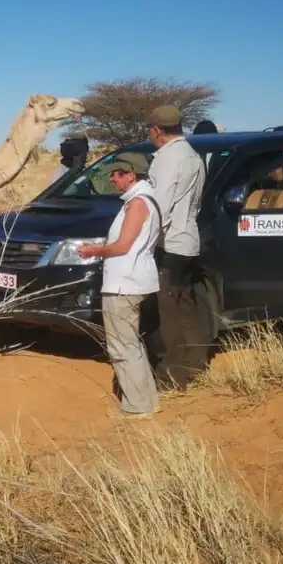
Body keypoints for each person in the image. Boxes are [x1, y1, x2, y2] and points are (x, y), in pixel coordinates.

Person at [78, 154, 162, 417]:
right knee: (131, 344)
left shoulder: (137, 204)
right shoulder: (144, 200)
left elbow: (123, 246)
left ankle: (137, 407)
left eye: (116, 173)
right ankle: (147, 401)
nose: (111, 178)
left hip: (124, 284)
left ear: (131, 175)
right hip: (135, 281)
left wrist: (94, 250)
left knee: (122, 346)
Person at [146, 104, 209, 389]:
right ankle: (195, 366)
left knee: (169, 312)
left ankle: (171, 375)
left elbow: (161, 207)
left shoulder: (167, 159)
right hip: (189, 241)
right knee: (186, 308)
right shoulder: (194, 156)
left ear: (157, 131)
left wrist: (144, 240)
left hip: (170, 243)